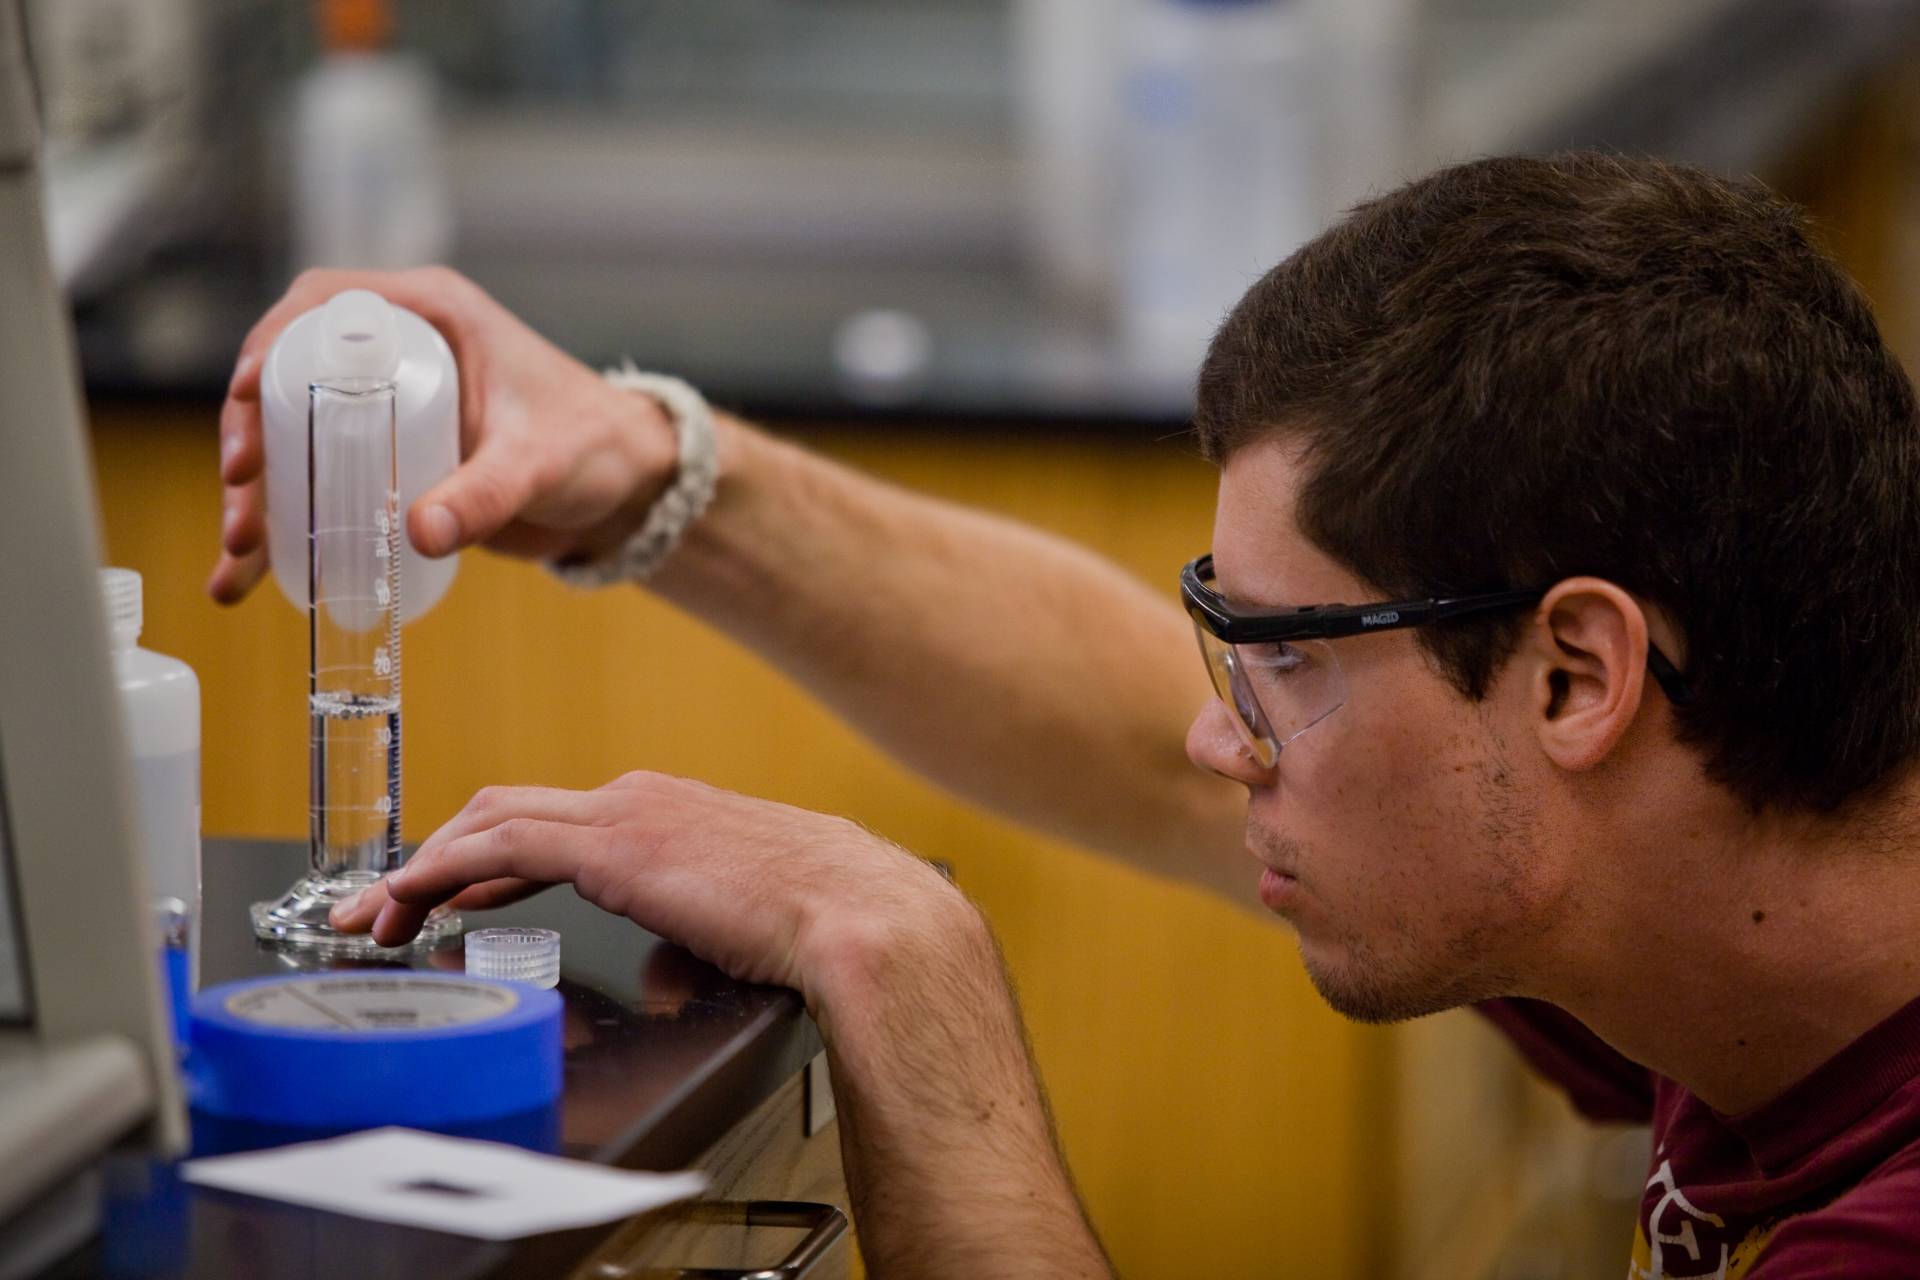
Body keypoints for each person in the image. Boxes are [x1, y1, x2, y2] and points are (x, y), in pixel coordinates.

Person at [210, 153, 1920, 1277]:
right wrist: (653, 478)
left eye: (1288, 663)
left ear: (1574, 677)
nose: (1215, 740)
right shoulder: (1750, 893)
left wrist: (900, 958)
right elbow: (1128, 737)